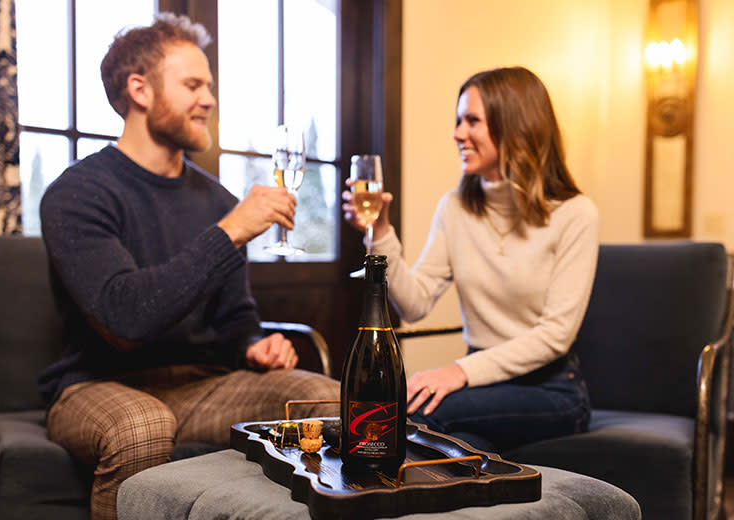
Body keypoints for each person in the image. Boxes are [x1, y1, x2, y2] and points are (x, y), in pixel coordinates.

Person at [37, 13, 339, 520]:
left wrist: (253, 344)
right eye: (193, 84)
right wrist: (232, 231)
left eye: (211, 86)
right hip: (98, 385)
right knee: (142, 427)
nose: (209, 99)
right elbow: (125, 316)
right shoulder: (77, 193)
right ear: (140, 89)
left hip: (204, 385)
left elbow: (235, 319)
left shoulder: (217, 198)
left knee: (330, 401)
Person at [342, 66, 598, 453]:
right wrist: (379, 233)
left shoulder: (576, 214)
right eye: (459, 120)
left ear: (515, 125)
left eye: (472, 120)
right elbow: (414, 303)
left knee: (413, 417)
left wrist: (457, 372)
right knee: (457, 447)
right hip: (485, 386)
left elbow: (555, 336)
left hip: (551, 389)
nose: (457, 133)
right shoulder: (456, 207)